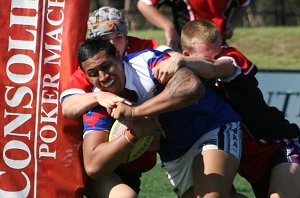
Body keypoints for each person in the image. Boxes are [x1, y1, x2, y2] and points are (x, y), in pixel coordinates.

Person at [152, 19, 300, 198]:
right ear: (187, 53)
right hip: (250, 164)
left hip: (278, 145)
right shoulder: (185, 79)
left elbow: (215, 68)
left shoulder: (230, 57)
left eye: (218, 52)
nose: (214, 58)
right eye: (206, 57)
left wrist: (180, 60)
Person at [82, 37, 244, 197]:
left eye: (106, 66)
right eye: (93, 73)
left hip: (211, 126)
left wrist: (136, 112)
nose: (103, 77)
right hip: (175, 153)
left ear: (118, 55)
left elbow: (192, 88)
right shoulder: (100, 103)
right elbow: (93, 166)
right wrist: (133, 134)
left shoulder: (146, 63)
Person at [60, 6, 171, 119]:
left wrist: (179, 60)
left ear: (126, 37)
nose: (113, 43)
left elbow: (174, 59)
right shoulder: (93, 67)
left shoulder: (142, 47)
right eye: (105, 39)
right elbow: (68, 106)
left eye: (118, 37)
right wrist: (98, 97)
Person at [137, 0, 251, 50]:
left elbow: (245, 3)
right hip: (186, 49)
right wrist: (168, 27)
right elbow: (144, 4)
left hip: (219, 47)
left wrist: (232, 24)